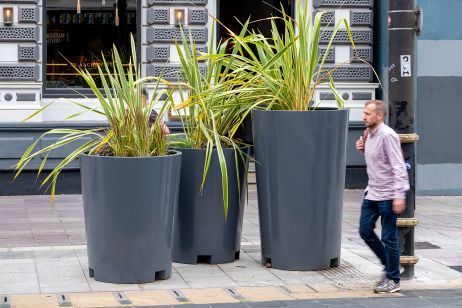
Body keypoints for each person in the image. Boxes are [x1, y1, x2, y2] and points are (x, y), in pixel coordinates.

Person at [355, 100, 410, 294]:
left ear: (379, 116)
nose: (364, 116)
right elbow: (377, 160)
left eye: (368, 113)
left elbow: (398, 165)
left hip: (388, 194)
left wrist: (399, 195)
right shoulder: (368, 134)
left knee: (388, 238)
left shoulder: (388, 135)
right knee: (364, 230)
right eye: (364, 112)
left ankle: (393, 279)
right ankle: (389, 266)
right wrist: (362, 148)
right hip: (372, 192)